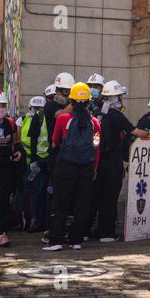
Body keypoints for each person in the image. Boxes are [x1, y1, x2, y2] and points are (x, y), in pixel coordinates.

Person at [87, 80, 148, 242]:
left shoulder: (98, 113)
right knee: (109, 198)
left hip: (96, 162)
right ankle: (106, 233)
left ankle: (85, 231)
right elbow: (135, 131)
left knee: (94, 198)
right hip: (112, 163)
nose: (121, 99)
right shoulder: (116, 115)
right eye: (119, 96)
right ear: (114, 98)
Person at [43, 83, 101, 251]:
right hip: (87, 167)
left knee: (61, 202)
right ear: (88, 102)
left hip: (66, 165)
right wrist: (94, 167)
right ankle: (77, 241)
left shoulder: (62, 119)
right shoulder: (95, 123)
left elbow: (54, 141)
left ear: (72, 101)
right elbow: (96, 146)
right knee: (82, 204)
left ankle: (56, 241)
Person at [0, 90, 24, 247]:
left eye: (3, 105)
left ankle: (2, 233)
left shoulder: (10, 123)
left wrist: (19, 152)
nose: (0, 108)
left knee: (4, 198)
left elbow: (16, 142)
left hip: (5, 166)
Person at [20, 96, 50, 233]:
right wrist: (33, 161)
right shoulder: (34, 119)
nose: (37, 110)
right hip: (39, 161)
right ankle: (37, 221)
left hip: (48, 161)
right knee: (37, 193)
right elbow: (32, 140)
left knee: (46, 194)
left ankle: (44, 221)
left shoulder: (48, 117)